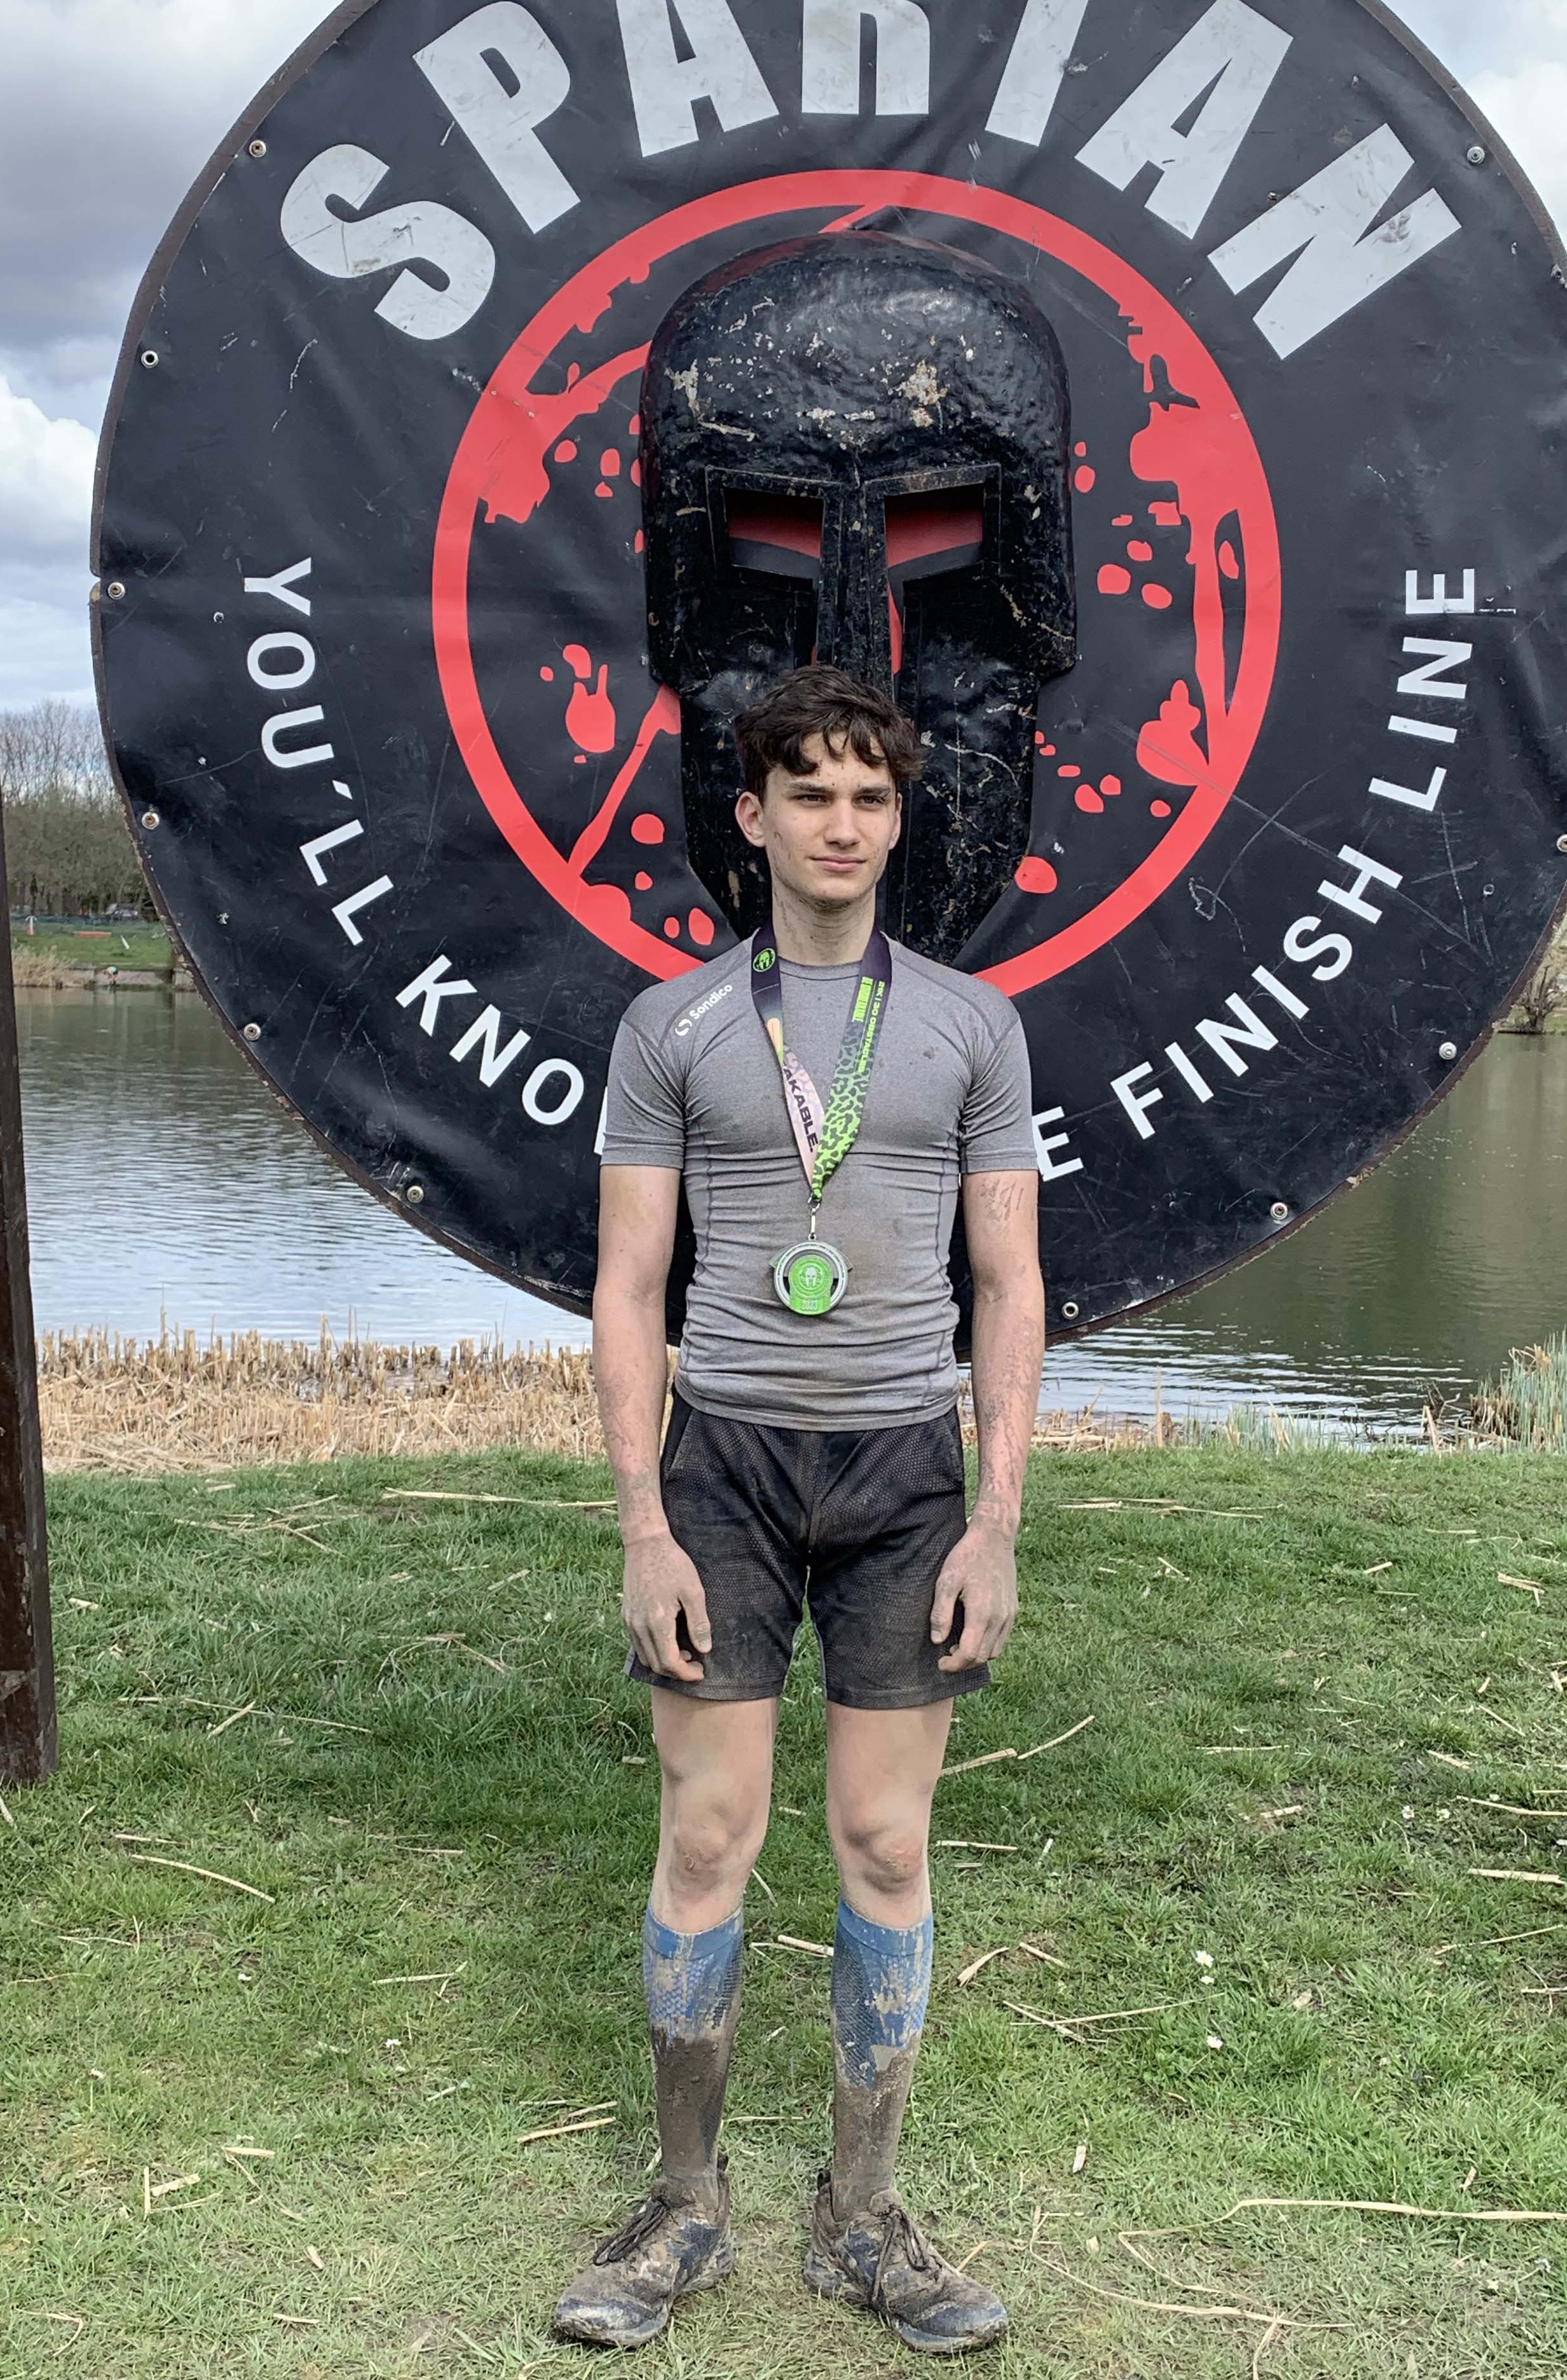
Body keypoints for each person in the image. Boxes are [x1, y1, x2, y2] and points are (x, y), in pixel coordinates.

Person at [556, 665, 1044, 2355]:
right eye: (812, 794)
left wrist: (996, 1519)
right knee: (707, 1835)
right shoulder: (672, 1028)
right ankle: (685, 2206)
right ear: (752, 816)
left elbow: (1010, 1285)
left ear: (899, 824)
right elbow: (629, 1288)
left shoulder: (973, 1028)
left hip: (905, 1476)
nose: (844, 824)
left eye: (872, 798)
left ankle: (864, 2216)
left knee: (887, 1843)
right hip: (730, 1471)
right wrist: (643, 1526)